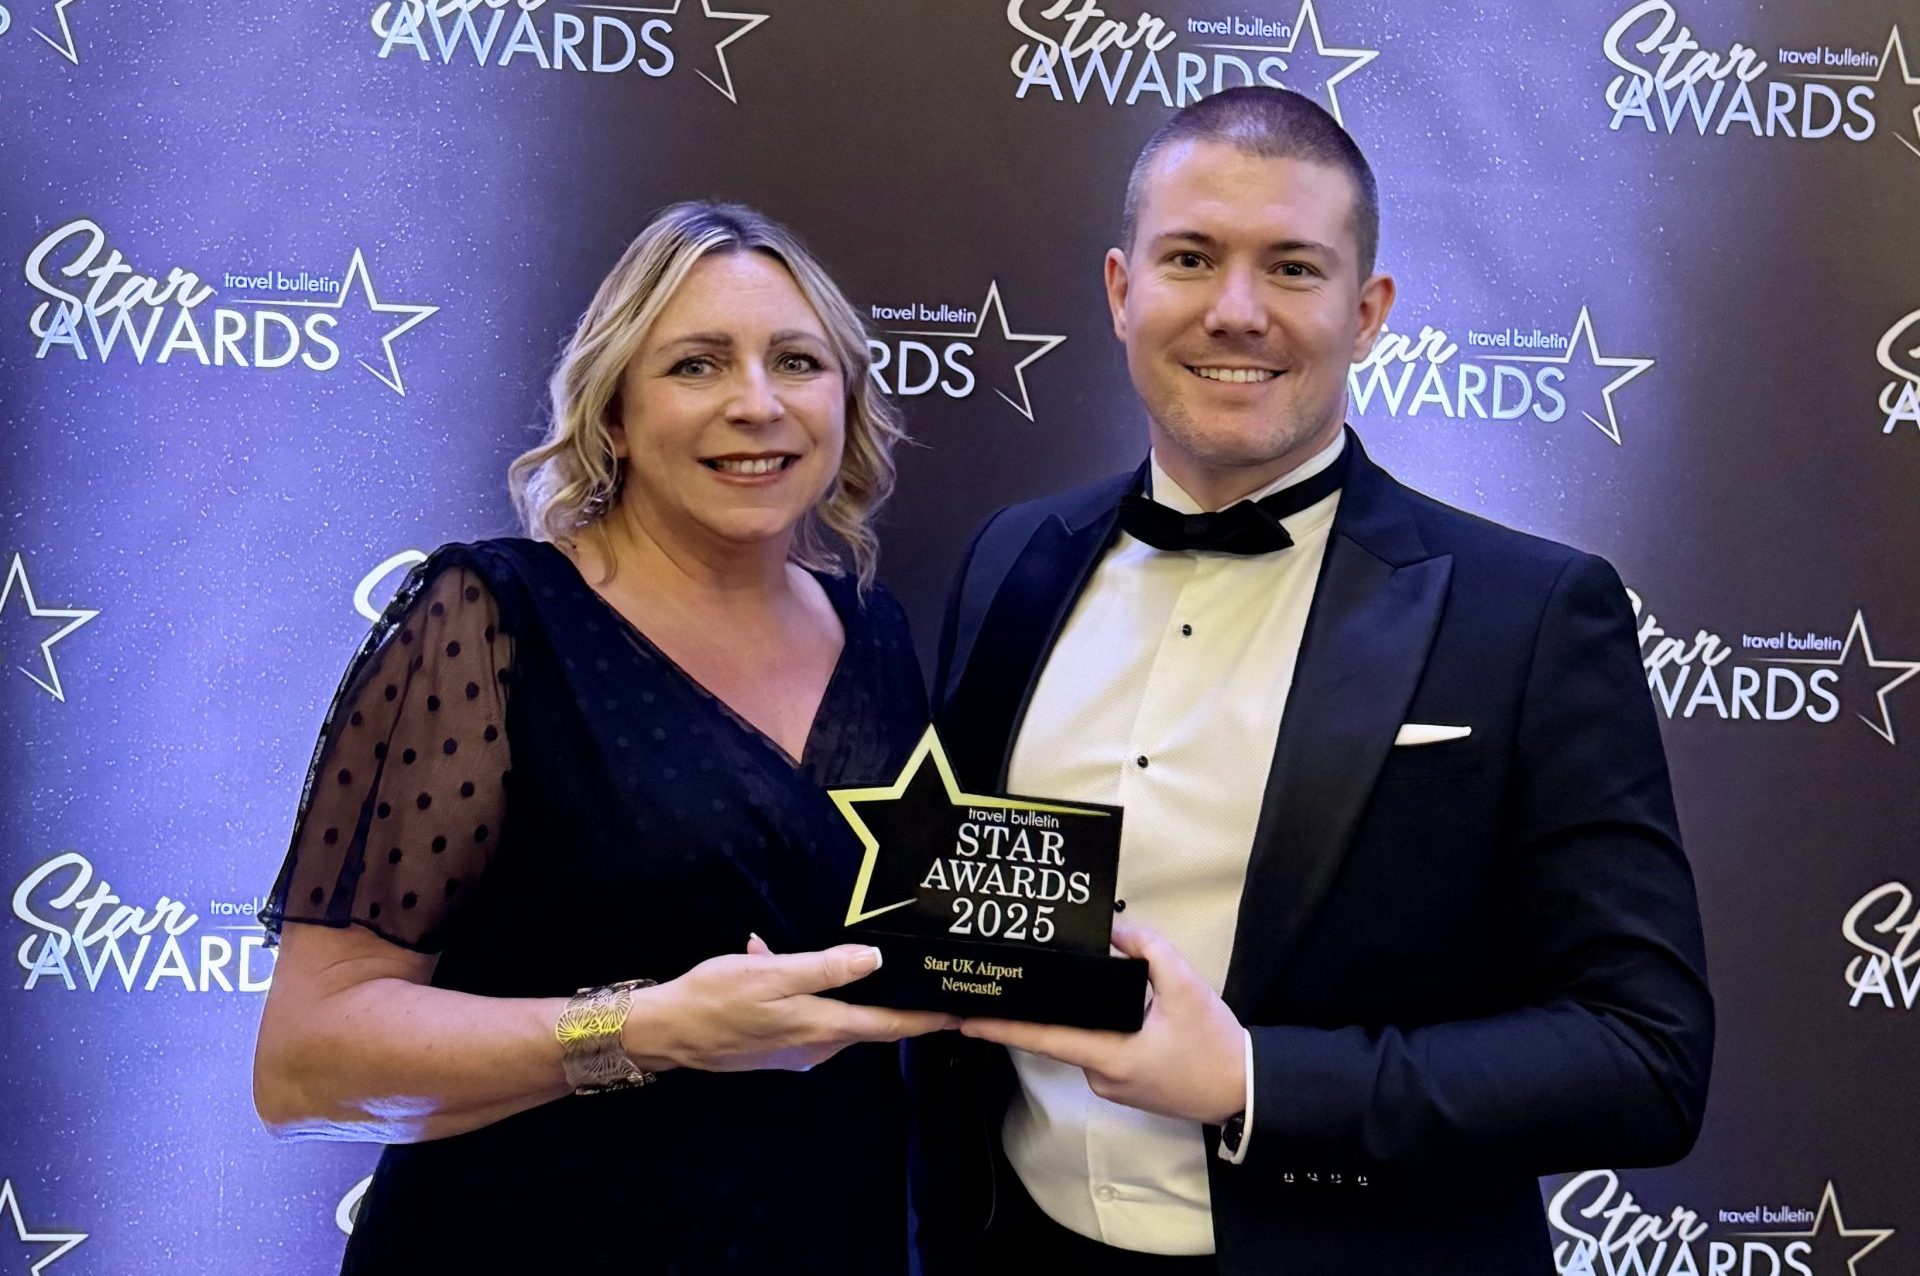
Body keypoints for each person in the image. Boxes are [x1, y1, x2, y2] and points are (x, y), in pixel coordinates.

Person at [909, 87, 1714, 1275]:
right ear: (1123, 290)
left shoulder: (1535, 614)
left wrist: (1256, 1079)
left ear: (1367, 311)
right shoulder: (1012, 557)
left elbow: (1645, 1056)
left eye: (1292, 268)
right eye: (1191, 258)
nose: (1237, 311)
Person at [253, 201, 954, 1274]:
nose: (757, 403)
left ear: (845, 400)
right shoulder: (492, 619)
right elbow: (308, 1061)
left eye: (797, 362)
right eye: (696, 365)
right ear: (615, 413)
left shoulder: (877, 631)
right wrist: (647, 1027)